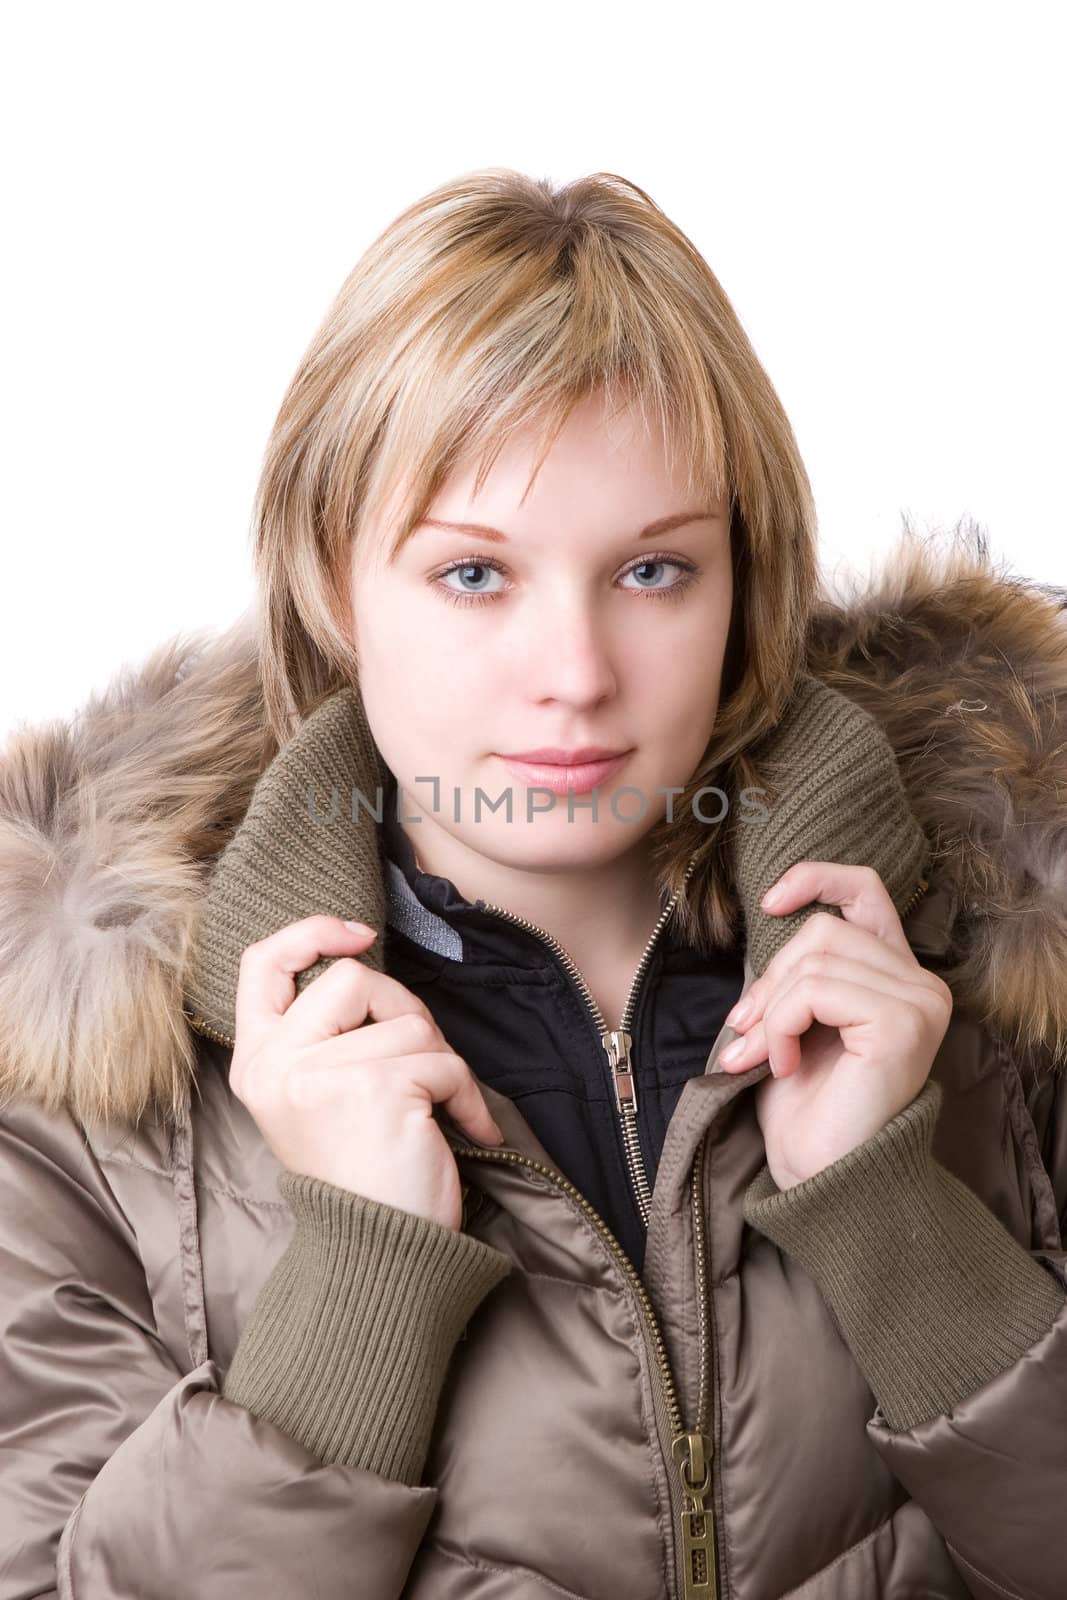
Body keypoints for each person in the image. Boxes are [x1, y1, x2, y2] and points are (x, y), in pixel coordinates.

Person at [1, 168, 1065, 1600]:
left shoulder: (1008, 976)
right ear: (330, 579)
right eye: (474, 577)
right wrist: (361, 1283)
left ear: (744, 580)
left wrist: (896, 1218)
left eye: (650, 573)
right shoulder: (86, 1096)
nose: (573, 676)